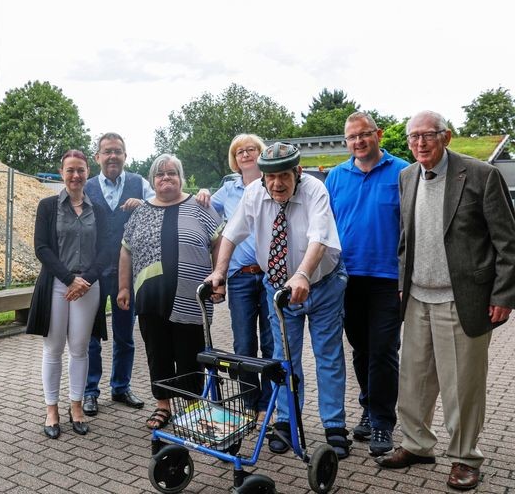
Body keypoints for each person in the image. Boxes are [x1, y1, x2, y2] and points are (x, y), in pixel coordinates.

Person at [376, 111, 515, 490]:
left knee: (462, 388)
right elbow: (406, 237)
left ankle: (465, 457)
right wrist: (405, 283)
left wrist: (504, 294)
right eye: (412, 137)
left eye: (428, 135)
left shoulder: (481, 175)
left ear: (446, 137)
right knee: (414, 383)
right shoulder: (407, 177)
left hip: (463, 300)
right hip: (418, 298)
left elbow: (508, 242)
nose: (419, 143)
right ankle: (418, 445)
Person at [205, 142, 352, 459]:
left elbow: (320, 236)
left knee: (328, 355)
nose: (277, 184)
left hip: (322, 283)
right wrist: (218, 271)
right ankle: (285, 423)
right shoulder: (255, 193)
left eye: (284, 175)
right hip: (279, 289)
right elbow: (231, 233)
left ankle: (335, 428)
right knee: (284, 358)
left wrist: (301, 274)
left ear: (297, 172)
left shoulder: (314, 190)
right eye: (270, 178)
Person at [118, 154, 224, 430]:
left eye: (171, 173)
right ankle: (163, 405)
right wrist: (123, 287)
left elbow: (220, 243)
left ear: (180, 177)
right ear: (153, 180)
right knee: (158, 352)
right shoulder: (140, 211)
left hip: (192, 298)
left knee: (190, 354)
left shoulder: (200, 205)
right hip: (150, 298)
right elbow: (126, 251)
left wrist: (218, 277)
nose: (166, 178)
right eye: (160, 174)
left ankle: (192, 408)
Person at [325, 112, 408, 457]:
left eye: (364, 135)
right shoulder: (335, 177)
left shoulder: (403, 171)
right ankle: (368, 406)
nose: (358, 142)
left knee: (383, 350)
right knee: (360, 350)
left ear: (378, 134)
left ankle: (382, 422)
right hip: (347, 278)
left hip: (389, 279)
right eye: (351, 137)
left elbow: (412, 226)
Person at [26, 150, 109, 439]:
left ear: (88, 173)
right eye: (70, 170)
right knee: (53, 348)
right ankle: (52, 411)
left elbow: (106, 250)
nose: (76, 176)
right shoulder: (48, 206)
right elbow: (41, 248)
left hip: (88, 285)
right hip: (57, 285)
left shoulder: (97, 209)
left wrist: (84, 280)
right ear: (62, 172)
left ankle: (76, 407)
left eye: (81, 170)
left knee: (80, 349)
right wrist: (69, 279)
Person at [196, 134, 273, 420]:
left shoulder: (273, 182)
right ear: (234, 158)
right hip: (240, 276)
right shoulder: (228, 191)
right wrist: (203, 191)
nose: (245, 154)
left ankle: (269, 403)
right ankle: (250, 403)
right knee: (243, 343)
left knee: (270, 342)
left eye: (250, 149)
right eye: (239, 151)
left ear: (260, 153)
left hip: (269, 275)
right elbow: (201, 213)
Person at [82, 133, 154, 416]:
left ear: (126, 156)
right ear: (97, 157)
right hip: (95, 273)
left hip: (128, 274)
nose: (113, 156)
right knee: (91, 336)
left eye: (118, 151)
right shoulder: (86, 187)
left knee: (125, 335)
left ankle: (121, 387)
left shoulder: (139, 184)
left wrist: (144, 204)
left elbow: (161, 205)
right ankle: (89, 391)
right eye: (107, 151)